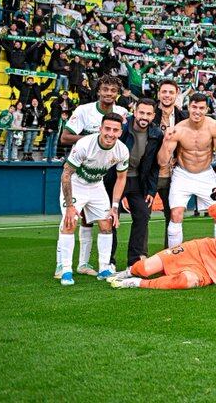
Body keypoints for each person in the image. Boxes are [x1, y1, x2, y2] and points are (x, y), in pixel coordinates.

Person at [55, 112, 128, 285]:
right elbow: (66, 174)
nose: (110, 133)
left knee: (106, 223)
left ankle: (104, 267)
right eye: (107, 129)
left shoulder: (122, 150)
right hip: (76, 184)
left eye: (115, 130)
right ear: (100, 128)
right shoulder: (84, 144)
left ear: (120, 132)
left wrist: (115, 206)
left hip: (96, 186)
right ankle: (65, 270)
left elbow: (121, 178)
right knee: (69, 222)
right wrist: (70, 206)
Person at [157, 92, 216, 246]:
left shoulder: (215, 127)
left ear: (207, 109)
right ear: (188, 107)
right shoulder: (178, 129)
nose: (197, 111)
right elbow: (162, 161)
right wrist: (165, 140)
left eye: (201, 108)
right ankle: (174, 259)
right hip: (182, 175)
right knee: (176, 215)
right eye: (194, 107)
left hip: (206, 175)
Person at [105, 99, 163, 265]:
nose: (144, 117)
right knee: (111, 217)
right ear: (135, 112)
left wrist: (152, 191)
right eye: (141, 112)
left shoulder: (156, 134)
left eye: (148, 114)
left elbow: (154, 165)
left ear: (153, 115)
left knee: (143, 216)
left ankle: (135, 261)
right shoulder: (122, 129)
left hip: (139, 181)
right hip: (115, 179)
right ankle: (108, 261)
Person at [154, 79, 188, 246]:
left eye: (171, 92)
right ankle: (139, 258)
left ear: (177, 95)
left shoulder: (184, 116)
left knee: (173, 216)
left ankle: (169, 255)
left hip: (175, 174)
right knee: (141, 217)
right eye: (164, 92)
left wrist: (178, 157)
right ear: (159, 93)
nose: (167, 95)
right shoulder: (150, 113)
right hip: (151, 172)